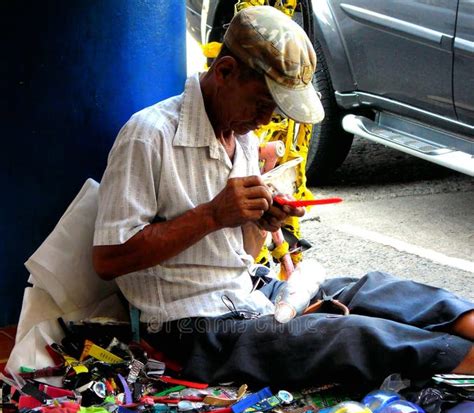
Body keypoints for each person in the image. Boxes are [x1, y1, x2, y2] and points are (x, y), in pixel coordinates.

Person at [93, 5, 474, 390]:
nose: (265, 119)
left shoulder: (241, 136)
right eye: (261, 104)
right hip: (192, 334)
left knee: (375, 289)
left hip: (248, 295)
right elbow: (108, 259)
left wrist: (259, 221)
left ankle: (467, 323)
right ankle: (462, 360)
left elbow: (234, 251)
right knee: (350, 335)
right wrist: (212, 215)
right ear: (225, 72)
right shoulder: (149, 134)